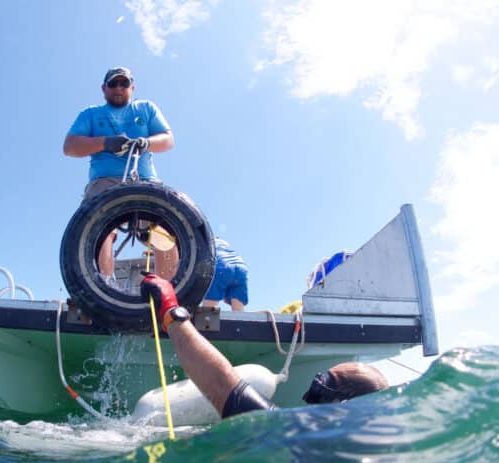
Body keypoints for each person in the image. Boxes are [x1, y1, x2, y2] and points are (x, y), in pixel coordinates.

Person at [140, 274, 389, 418]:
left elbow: (221, 385)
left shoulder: (296, 435)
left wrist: (171, 311)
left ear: (341, 402)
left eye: (324, 382)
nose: (315, 384)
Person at [63, 66, 177, 281]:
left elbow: (168, 139)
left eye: (123, 84)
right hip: (104, 182)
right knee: (98, 225)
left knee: (163, 232)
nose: (118, 88)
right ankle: (103, 284)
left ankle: (167, 291)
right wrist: (105, 143)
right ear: (103, 88)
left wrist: (146, 142)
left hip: (144, 181)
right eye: (113, 83)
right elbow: (70, 147)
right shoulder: (90, 114)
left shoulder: (145, 108)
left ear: (132, 87)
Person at [202, 238, 248, 311]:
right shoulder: (225, 244)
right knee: (239, 314)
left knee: (208, 314)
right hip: (241, 267)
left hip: (221, 265)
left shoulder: (207, 241)